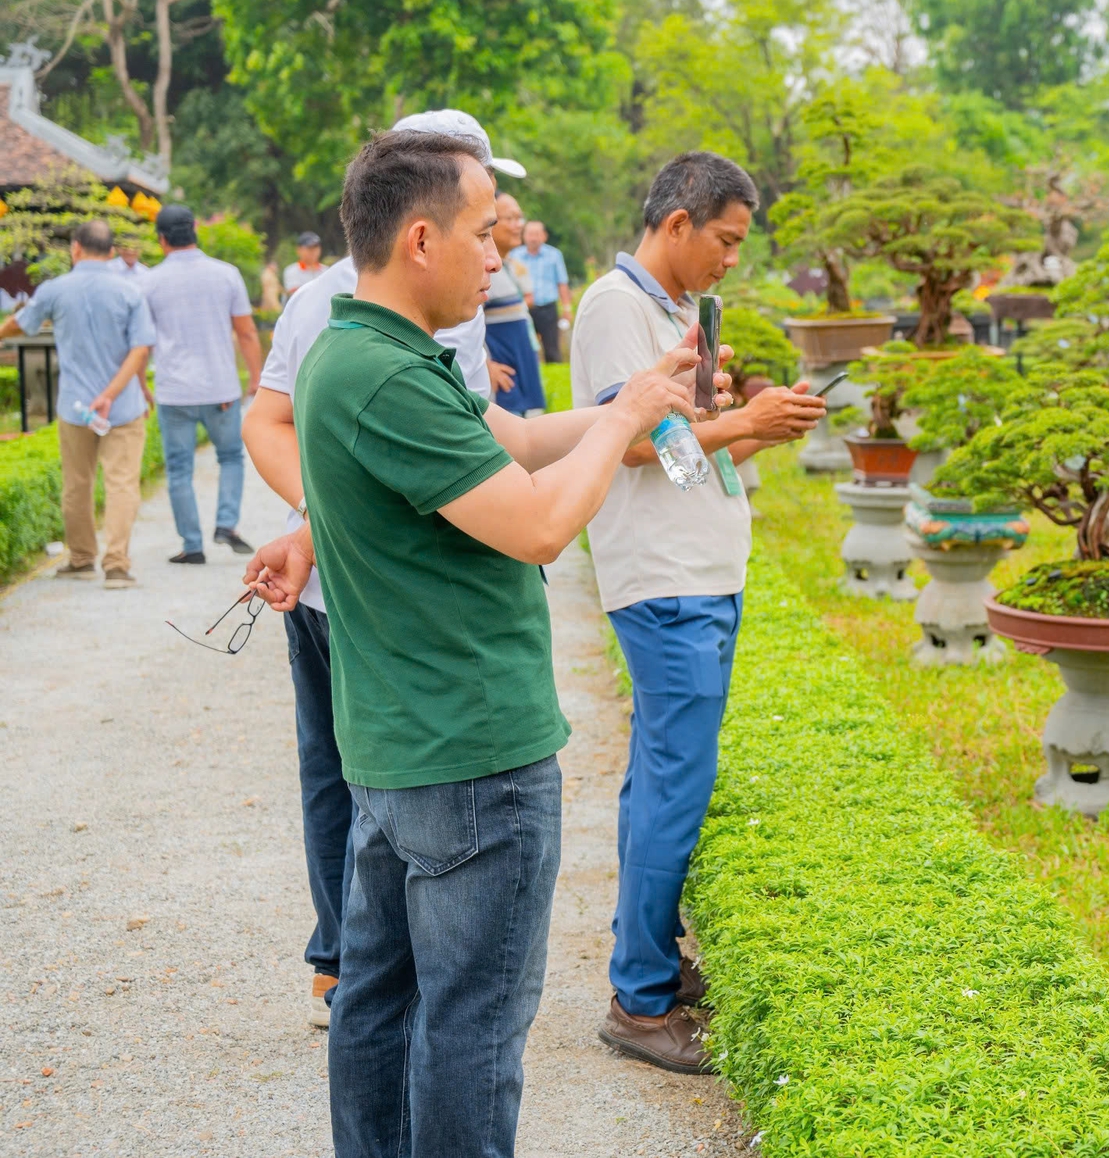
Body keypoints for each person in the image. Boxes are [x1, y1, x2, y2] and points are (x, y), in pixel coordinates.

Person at [241, 126, 721, 1158]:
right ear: (420, 238)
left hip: (399, 745)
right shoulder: (389, 375)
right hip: (471, 755)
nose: (499, 257)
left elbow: (516, 440)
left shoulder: (358, 351)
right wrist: (624, 414)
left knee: (379, 999)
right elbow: (541, 522)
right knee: (469, 1027)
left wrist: (620, 410)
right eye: (482, 235)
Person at [241, 110, 513, 1031]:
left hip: (329, 569)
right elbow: (454, 462)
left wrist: (322, 520)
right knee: (377, 778)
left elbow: (283, 426)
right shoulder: (410, 307)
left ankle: (347, 967)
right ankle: (370, 970)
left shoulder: (328, 298)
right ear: (421, 217)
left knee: (344, 770)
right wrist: (335, 514)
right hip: (378, 583)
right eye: (478, 212)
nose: (493, 246)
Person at [570, 151, 825, 1073]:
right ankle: (637, 1004)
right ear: (677, 223)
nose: (730, 261)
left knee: (660, 785)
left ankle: (652, 965)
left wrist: (750, 426)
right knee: (675, 788)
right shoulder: (615, 307)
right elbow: (632, 443)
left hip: (698, 571)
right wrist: (741, 425)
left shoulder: (675, 313)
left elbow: (685, 459)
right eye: (724, 240)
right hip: (667, 583)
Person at [0, 219, 154, 588]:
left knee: (76, 484)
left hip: (75, 406)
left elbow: (23, 322)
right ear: (113, 251)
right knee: (121, 485)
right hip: (121, 407)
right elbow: (140, 350)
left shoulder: (55, 289)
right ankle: (116, 566)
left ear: (76, 249)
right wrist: (113, 394)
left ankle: (82, 558)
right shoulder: (130, 291)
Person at [141, 204, 264, 565]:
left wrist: (141, 384)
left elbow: (140, 342)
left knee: (178, 469)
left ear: (161, 239)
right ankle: (226, 523)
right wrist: (256, 378)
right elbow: (246, 331)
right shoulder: (226, 274)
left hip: (173, 392)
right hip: (220, 389)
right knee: (230, 457)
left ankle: (192, 545)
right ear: (195, 230)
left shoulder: (148, 281)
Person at [483, 194, 543, 415]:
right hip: (504, 387)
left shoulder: (509, 267)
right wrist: (485, 364)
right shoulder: (482, 270)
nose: (518, 225)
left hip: (523, 373)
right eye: (510, 218)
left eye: (520, 218)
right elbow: (463, 327)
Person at [512, 219, 570, 364]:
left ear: (544, 236)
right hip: (523, 308)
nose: (533, 238)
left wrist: (567, 308)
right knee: (524, 348)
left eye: (537, 234)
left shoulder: (554, 255)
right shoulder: (514, 256)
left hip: (548, 308)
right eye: (530, 234)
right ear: (524, 236)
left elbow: (562, 283)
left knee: (552, 349)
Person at [283, 232, 325, 297]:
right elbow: (297, 294)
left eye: (316, 247)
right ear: (298, 250)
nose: (313, 251)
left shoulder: (326, 270)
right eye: (309, 247)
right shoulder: (291, 270)